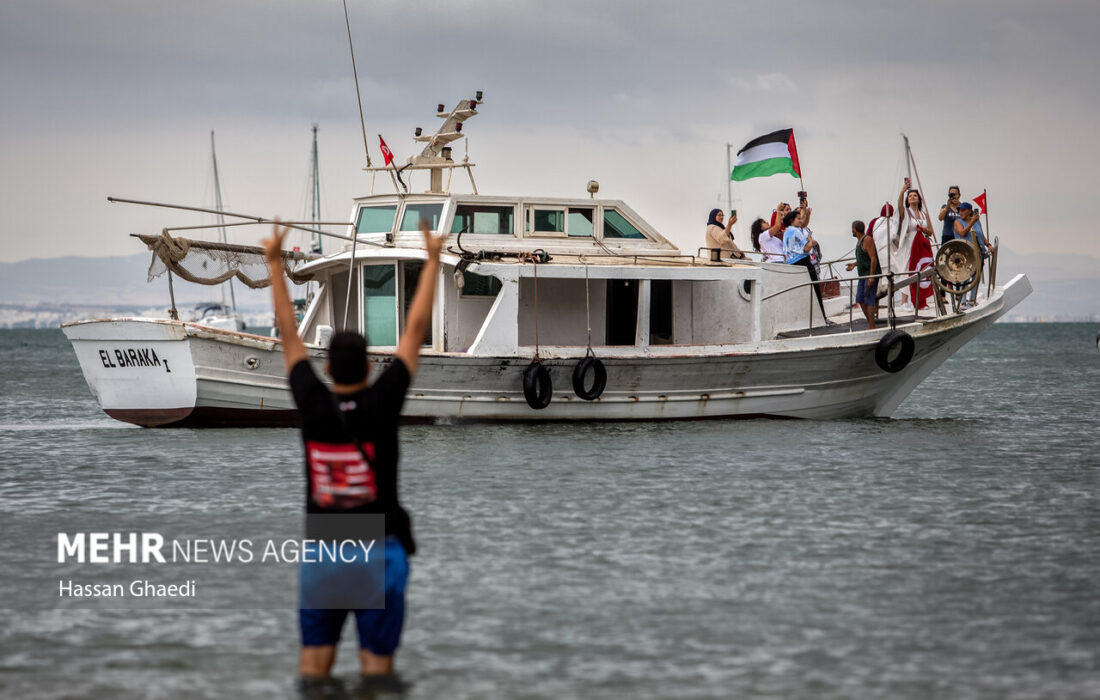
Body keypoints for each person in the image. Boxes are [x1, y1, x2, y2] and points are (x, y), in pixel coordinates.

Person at [263, 218, 443, 680]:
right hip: (377, 551)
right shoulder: (383, 402)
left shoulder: (312, 401)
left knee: (313, 671)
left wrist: (274, 264)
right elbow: (415, 328)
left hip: (323, 553)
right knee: (377, 672)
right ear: (368, 365)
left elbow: (287, 335)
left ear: (326, 367)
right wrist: (434, 259)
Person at [781, 206, 828, 318]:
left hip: (791, 263)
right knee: (815, 289)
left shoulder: (787, 232)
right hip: (802, 261)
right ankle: (822, 317)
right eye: (798, 218)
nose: (800, 220)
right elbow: (806, 248)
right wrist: (811, 242)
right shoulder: (795, 230)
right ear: (792, 220)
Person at [895, 179, 934, 310]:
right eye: (910, 196)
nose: (912, 197)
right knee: (907, 270)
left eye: (914, 195)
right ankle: (904, 302)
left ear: (919, 199)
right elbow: (899, 206)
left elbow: (930, 230)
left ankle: (920, 300)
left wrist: (922, 229)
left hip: (922, 246)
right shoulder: (906, 212)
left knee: (922, 270)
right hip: (909, 246)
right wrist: (902, 191)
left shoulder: (924, 214)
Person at [953, 202, 989, 306]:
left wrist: (988, 244)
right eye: (959, 210)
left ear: (969, 211)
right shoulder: (958, 222)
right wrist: (972, 221)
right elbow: (962, 233)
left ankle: (972, 299)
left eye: (963, 210)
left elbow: (981, 234)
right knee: (965, 276)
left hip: (977, 252)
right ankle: (963, 301)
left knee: (976, 276)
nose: (960, 212)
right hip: (964, 253)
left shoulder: (977, 222)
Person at [845, 220, 880, 329]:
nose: (852, 231)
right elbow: (863, 258)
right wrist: (854, 264)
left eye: (852, 229)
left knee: (869, 300)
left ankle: (872, 326)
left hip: (869, 275)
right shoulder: (859, 241)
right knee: (860, 299)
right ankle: (871, 323)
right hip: (863, 275)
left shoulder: (867, 240)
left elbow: (873, 258)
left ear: (855, 229)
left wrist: (871, 276)